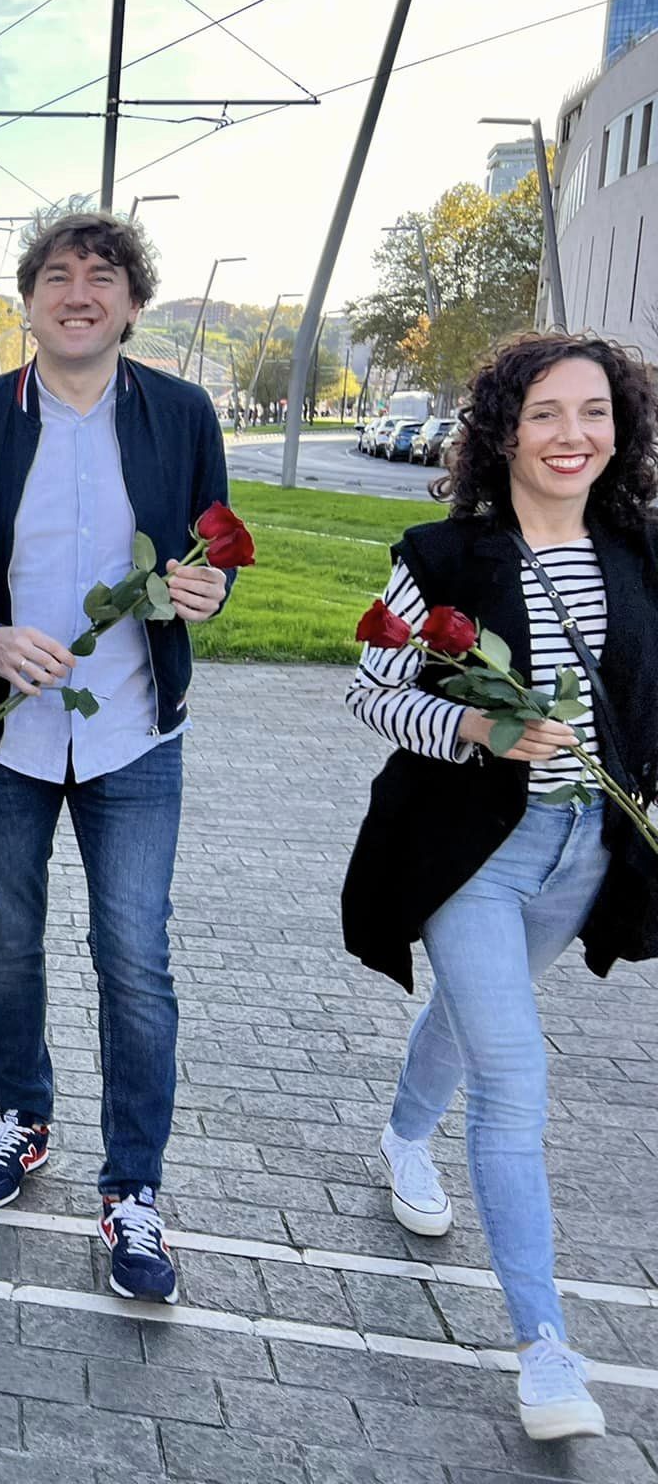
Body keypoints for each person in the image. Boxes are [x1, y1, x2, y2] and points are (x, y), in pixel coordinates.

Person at [0, 211, 231, 1305]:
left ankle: (132, 1187)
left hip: (135, 734)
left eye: (101, 278)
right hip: (2, 740)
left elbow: (205, 554)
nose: (77, 292)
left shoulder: (180, 414)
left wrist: (205, 591)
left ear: (133, 304)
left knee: (134, 958)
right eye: (55, 275)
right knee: (6, 942)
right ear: (28, 300)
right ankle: (21, 1115)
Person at [341, 332, 658, 1440]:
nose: (570, 436)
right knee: (515, 1071)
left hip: (584, 853)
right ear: (501, 432)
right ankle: (546, 1354)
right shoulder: (441, 555)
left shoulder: (640, 552)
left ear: (617, 431)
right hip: (467, 854)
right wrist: (474, 723)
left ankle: (400, 1132)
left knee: (476, 1030)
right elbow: (371, 694)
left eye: (592, 415)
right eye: (543, 415)